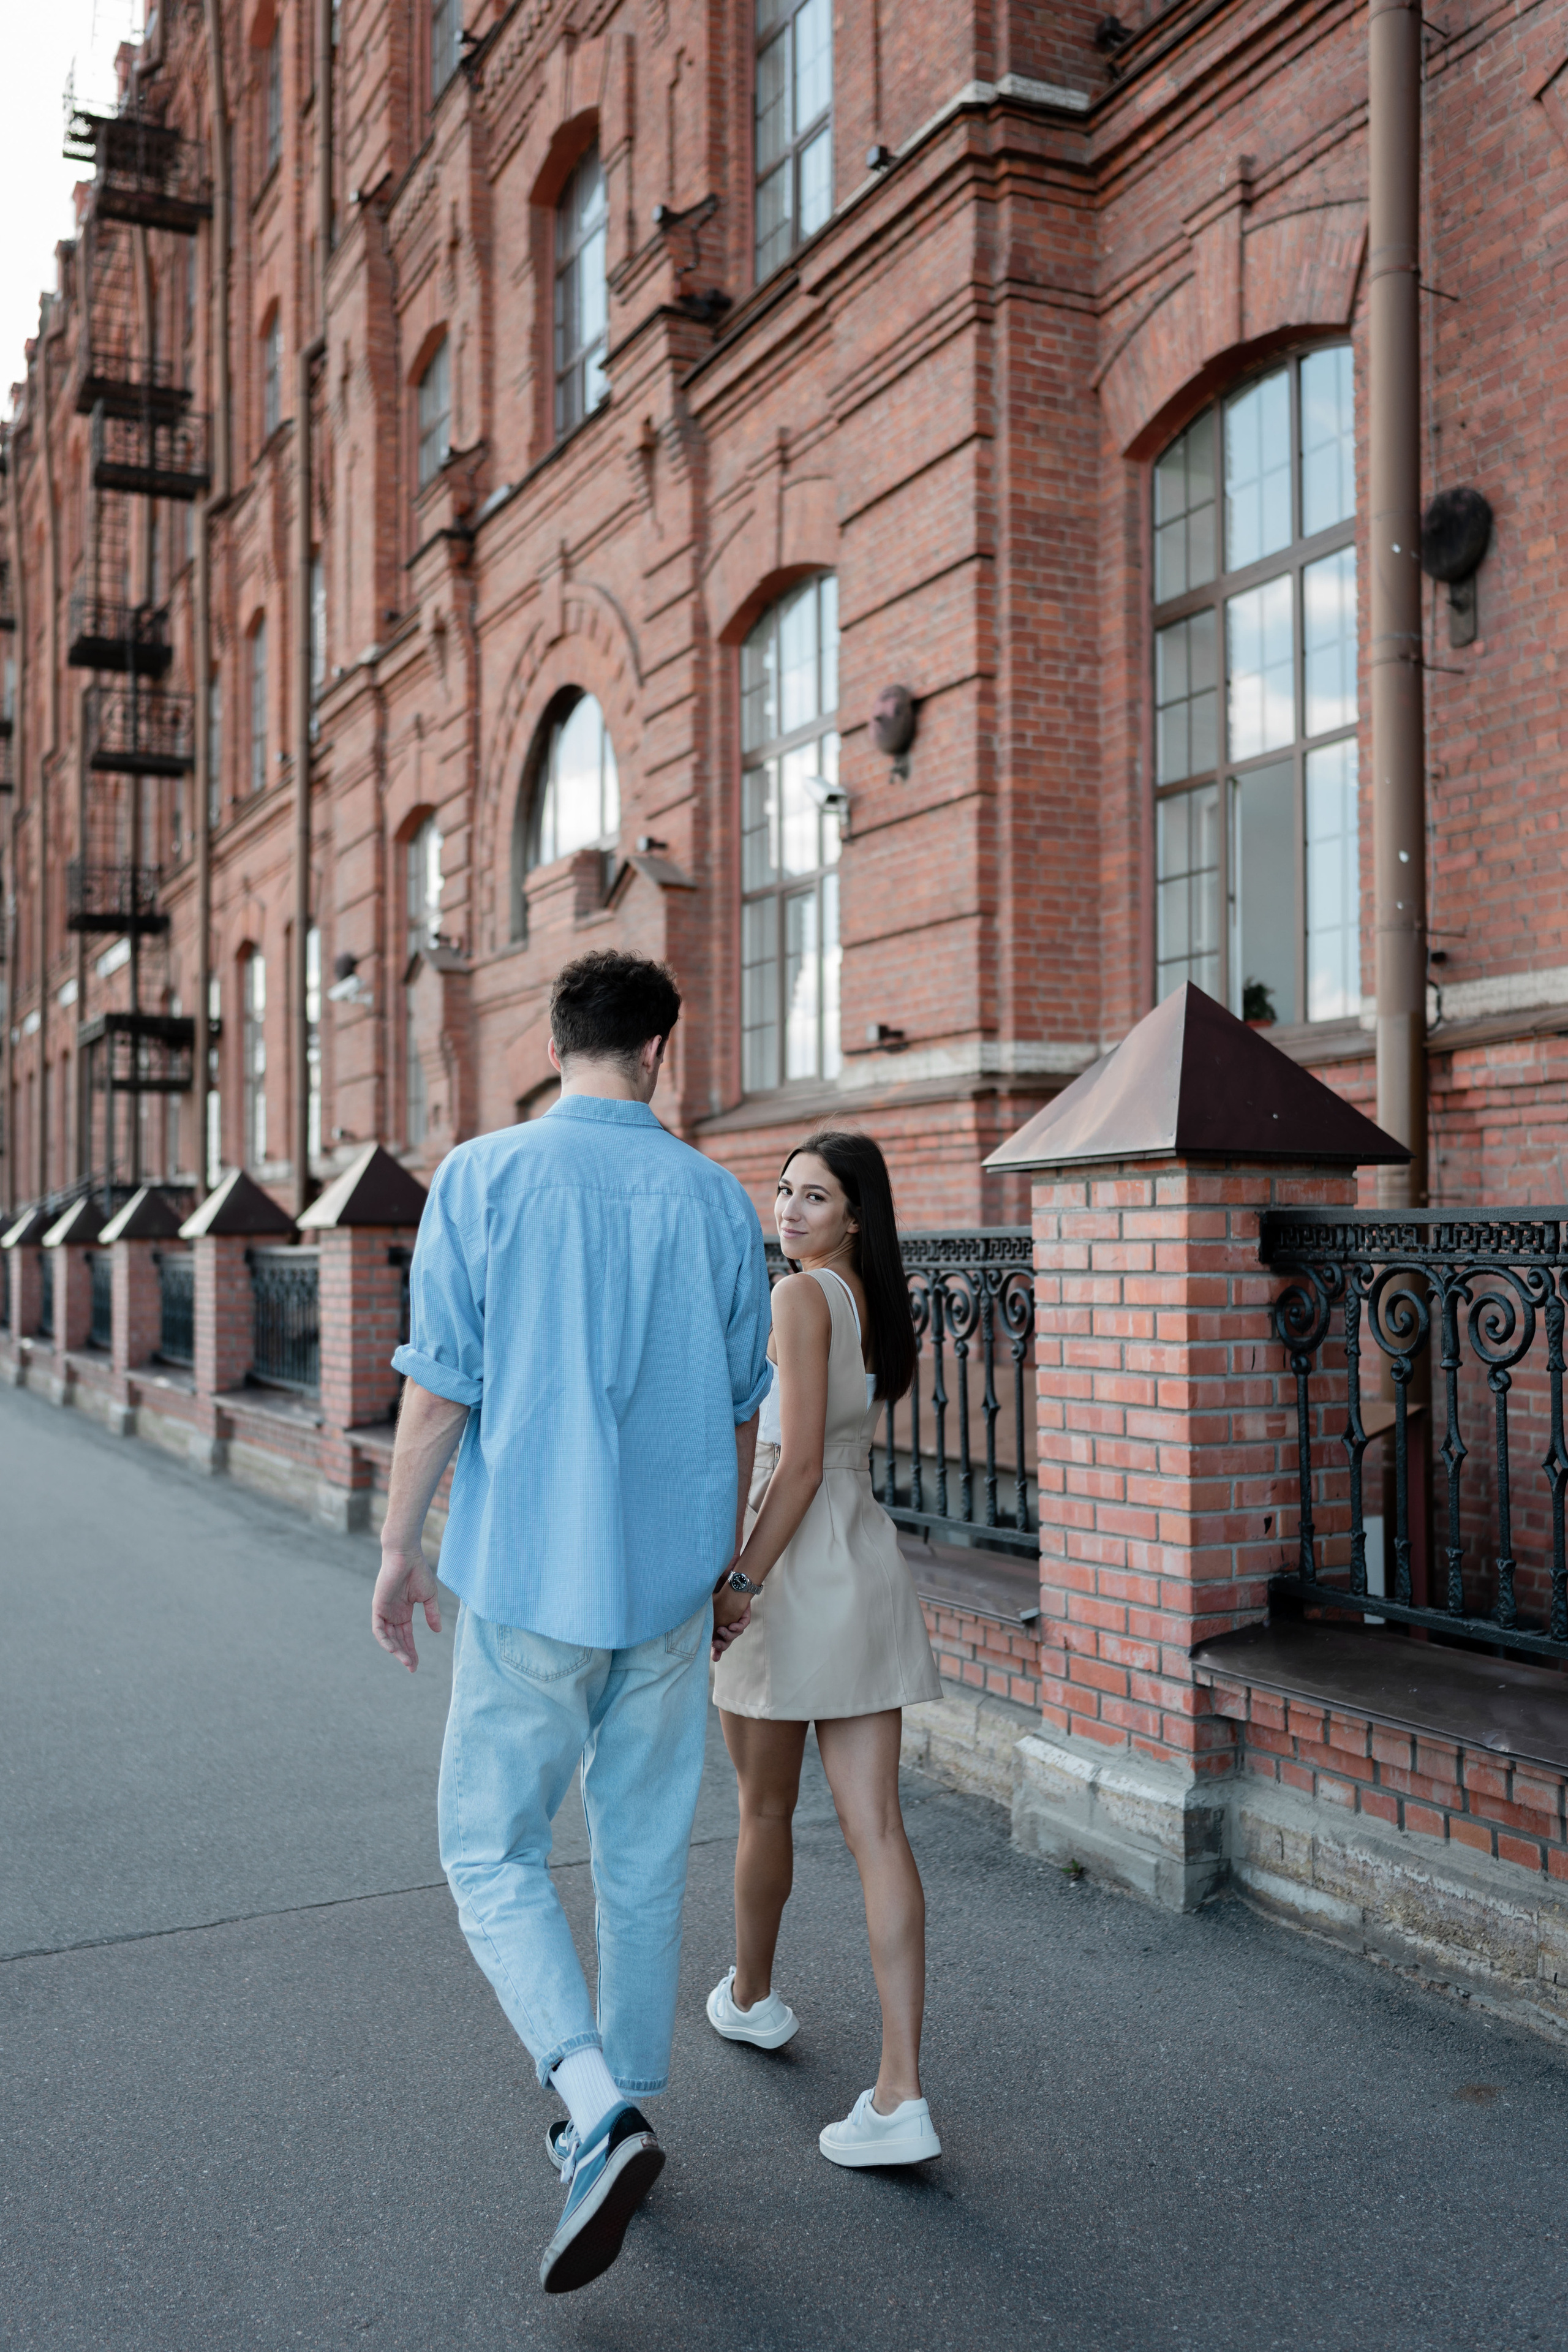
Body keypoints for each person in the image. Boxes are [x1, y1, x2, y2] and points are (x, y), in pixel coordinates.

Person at [371, 950, 769, 2295]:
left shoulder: (480, 1179)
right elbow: (738, 1408)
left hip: (530, 1578)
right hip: (667, 1587)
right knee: (643, 1843)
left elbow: (438, 1392)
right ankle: (619, 2097)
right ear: (659, 1048)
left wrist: (393, 1550)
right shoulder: (718, 1202)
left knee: (486, 1848)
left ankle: (596, 2109)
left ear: (557, 1043)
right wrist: (723, 1572)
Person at [707, 1129, 944, 2168]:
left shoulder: (798, 1299)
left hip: (793, 1562)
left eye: (815, 1197)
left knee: (764, 1808)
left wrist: (739, 1586)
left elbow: (794, 1466)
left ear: (857, 1213)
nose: (790, 1210)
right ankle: (901, 2091)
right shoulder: (868, 1302)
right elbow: (832, 1459)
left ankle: (751, 1996)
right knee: (878, 1833)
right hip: (865, 1561)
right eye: (784, 1190)